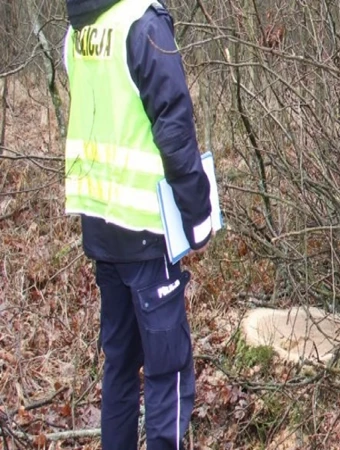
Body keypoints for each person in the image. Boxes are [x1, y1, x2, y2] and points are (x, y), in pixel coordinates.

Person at [63, 0, 213, 448]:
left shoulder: (79, 30)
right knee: (167, 370)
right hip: (148, 227)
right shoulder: (141, 22)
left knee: (121, 368)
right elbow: (173, 126)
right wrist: (199, 212)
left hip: (101, 223)